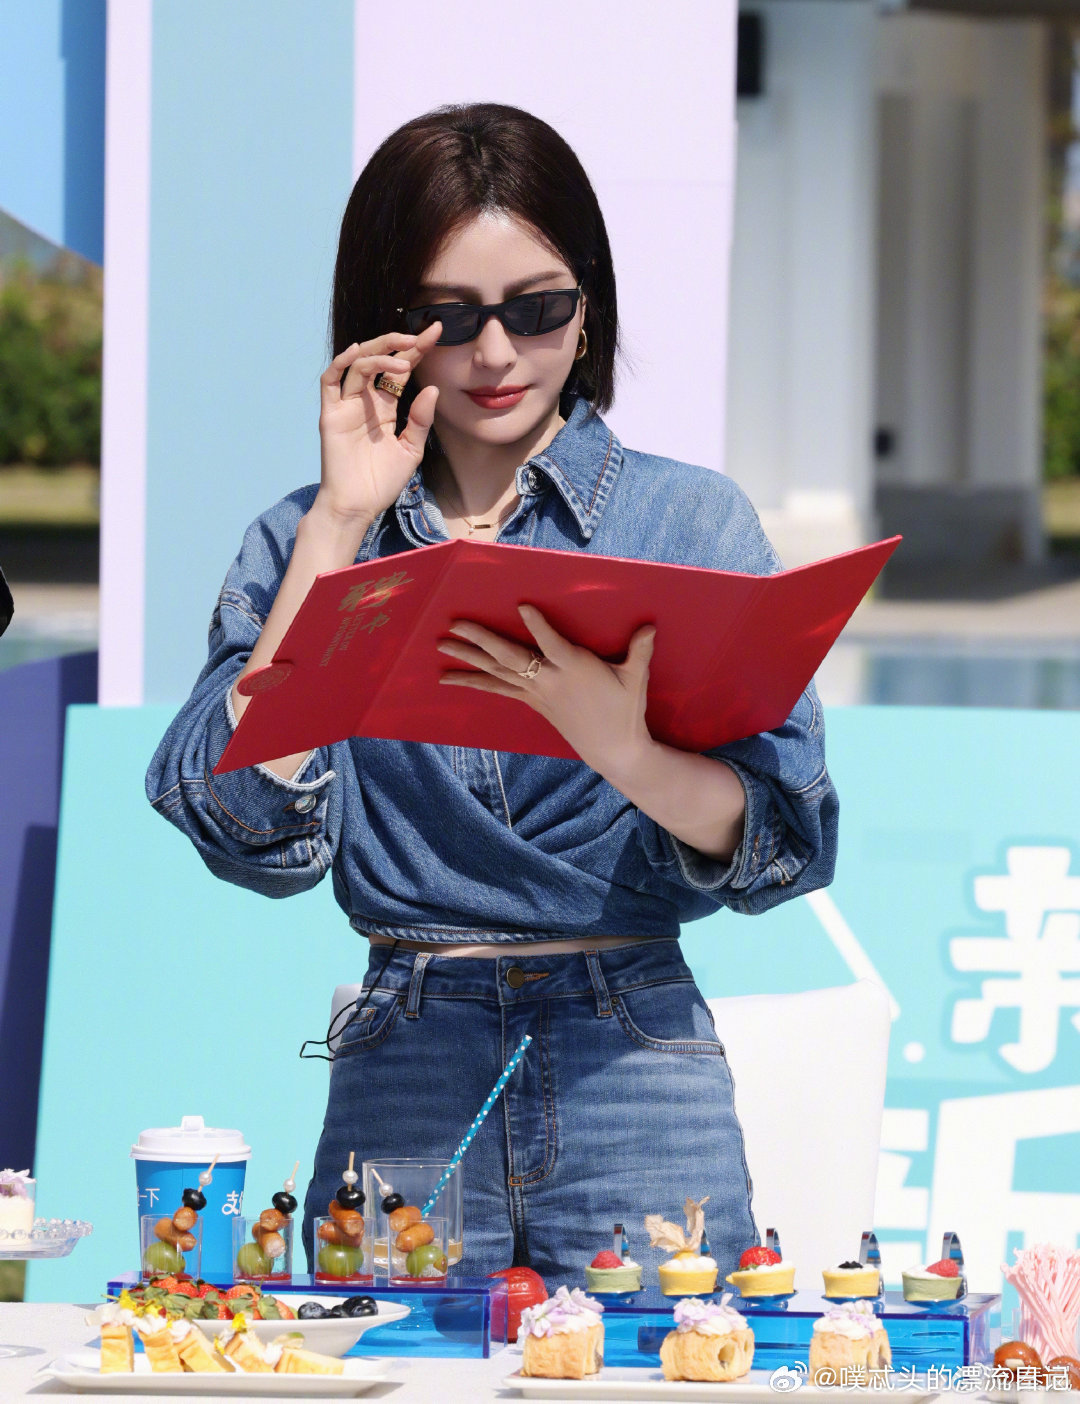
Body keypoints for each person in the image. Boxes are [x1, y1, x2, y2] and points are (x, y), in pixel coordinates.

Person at [147, 102, 838, 1285]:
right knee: (394, 1364)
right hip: (408, 1039)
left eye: (539, 308)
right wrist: (343, 518)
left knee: (663, 1354)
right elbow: (241, 826)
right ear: (386, 319)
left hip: (635, 1043)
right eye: (450, 317)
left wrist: (627, 751)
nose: (498, 353)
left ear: (590, 304)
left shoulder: (688, 520)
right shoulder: (306, 538)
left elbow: (784, 838)